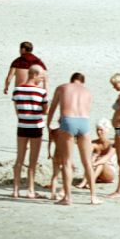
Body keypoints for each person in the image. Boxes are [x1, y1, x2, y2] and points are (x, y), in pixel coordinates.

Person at [46, 73, 100, 206]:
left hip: (68, 121)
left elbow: (52, 108)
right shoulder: (87, 91)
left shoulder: (63, 87)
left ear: (71, 80)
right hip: (84, 122)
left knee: (66, 162)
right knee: (87, 162)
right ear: (82, 82)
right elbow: (88, 109)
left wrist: (48, 125)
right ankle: (93, 197)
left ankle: (68, 197)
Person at [11, 67, 47, 198]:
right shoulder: (41, 91)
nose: (42, 78)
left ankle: (15, 189)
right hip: (36, 126)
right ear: (35, 75)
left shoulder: (17, 89)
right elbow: (45, 110)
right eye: (41, 76)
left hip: (22, 125)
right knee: (33, 160)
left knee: (19, 158)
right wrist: (46, 86)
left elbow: (17, 109)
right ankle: (30, 189)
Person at [76, 122, 116, 189]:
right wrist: (93, 157)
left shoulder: (112, 144)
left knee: (100, 161)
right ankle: (85, 181)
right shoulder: (94, 143)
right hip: (96, 169)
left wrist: (94, 163)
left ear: (106, 130)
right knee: (92, 159)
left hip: (109, 172)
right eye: (97, 130)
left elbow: (106, 157)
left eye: (101, 130)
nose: (99, 132)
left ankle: (90, 181)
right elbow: (86, 155)